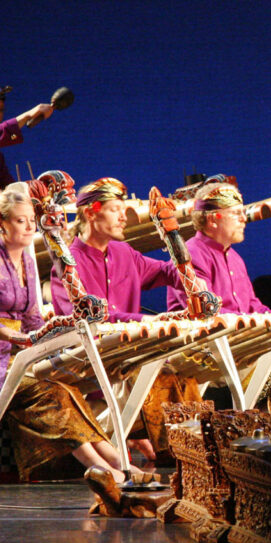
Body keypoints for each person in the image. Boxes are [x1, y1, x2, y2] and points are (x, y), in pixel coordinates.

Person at [0, 184, 142, 483]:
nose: (28, 227)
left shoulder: (26, 261)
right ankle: (102, 469)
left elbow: (33, 317)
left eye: (31, 221)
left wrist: (59, 333)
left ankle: (116, 460)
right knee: (51, 392)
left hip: (13, 359)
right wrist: (16, 338)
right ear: (1, 222)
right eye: (20, 220)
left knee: (70, 389)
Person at [49, 177, 202, 463]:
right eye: (115, 209)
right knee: (163, 374)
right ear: (91, 213)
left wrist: (189, 272)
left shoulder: (124, 253)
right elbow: (92, 319)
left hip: (126, 353)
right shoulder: (69, 262)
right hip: (87, 359)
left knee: (181, 372)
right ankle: (176, 452)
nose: (124, 216)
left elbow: (167, 272)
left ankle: (186, 453)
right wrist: (148, 321)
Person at [165, 181, 271, 314]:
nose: (244, 218)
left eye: (243, 212)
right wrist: (249, 321)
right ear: (212, 220)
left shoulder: (235, 258)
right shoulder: (189, 256)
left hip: (236, 333)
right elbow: (207, 311)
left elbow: (253, 306)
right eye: (236, 213)